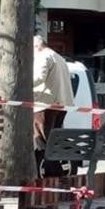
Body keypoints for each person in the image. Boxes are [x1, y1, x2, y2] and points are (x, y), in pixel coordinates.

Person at [33, 35, 73, 176]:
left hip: (45, 103)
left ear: (37, 46)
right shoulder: (59, 57)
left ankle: (53, 172)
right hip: (63, 104)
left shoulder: (43, 56)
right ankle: (55, 171)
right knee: (53, 140)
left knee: (43, 140)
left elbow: (38, 77)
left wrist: (22, 85)